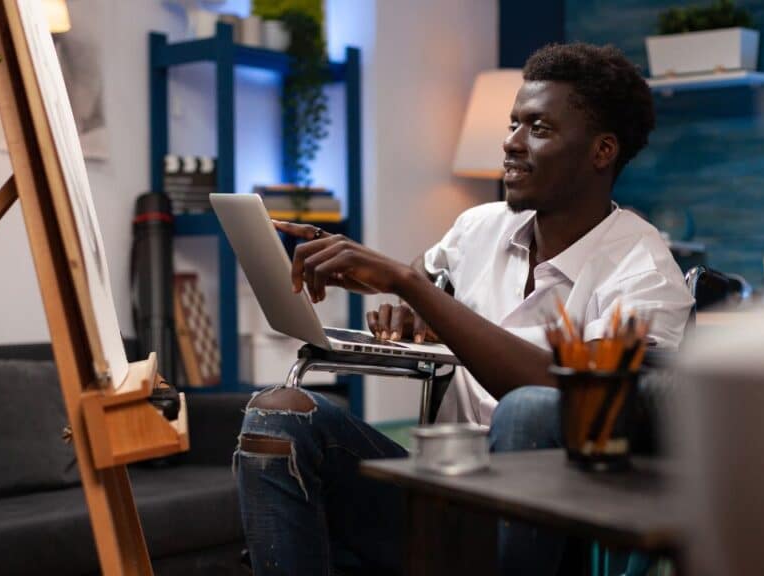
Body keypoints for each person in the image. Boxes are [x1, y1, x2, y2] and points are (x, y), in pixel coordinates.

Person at [235, 42, 694, 576]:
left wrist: (411, 287)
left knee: (527, 411)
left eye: (538, 128)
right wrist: (392, 294)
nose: (511, 142)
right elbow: (424, 276)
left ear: (602, 151)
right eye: (514, 124)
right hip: (445, 502)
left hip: (553, 530)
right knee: (279, 413)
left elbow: (573, 400)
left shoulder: (643, 272)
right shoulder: (482, 226)